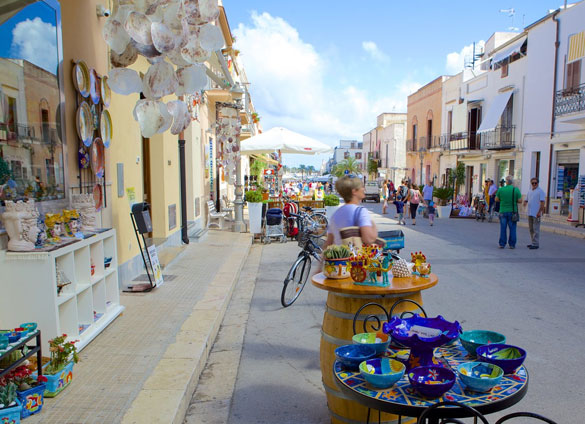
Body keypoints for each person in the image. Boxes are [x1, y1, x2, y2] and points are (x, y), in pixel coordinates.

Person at [324, 175, 378, 248]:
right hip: (355, 258)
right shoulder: (360, 212)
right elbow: (368, 239)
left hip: (340, 258)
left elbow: (329, 242)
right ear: (354, 191)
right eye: (362, 187)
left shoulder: (336, 214)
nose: (364, 189)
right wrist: (374, 227)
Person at [495, 176, 522, 249]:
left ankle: (502, 243)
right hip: (513, 212)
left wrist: (503, 199)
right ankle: (512, 244)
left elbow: (496, 199)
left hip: (503, 211)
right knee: (512, 228)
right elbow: (520, 200)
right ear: (512, 182)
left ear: (506, 182)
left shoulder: (501, 190)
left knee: (503, 228)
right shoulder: (515, 190)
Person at [524, 177, 546, 250]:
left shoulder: (540, 191)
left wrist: (540, 212)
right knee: (531, 229)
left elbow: (542, 202)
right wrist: (525, 203)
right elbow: (526, 199)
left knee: (536, 228)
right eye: (532, 183)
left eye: (535, 183)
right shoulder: (530, 191)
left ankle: (536, 243)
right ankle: (532, 242)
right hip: (530, 212)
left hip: (536, 213)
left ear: (538, 183)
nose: (534, 184)